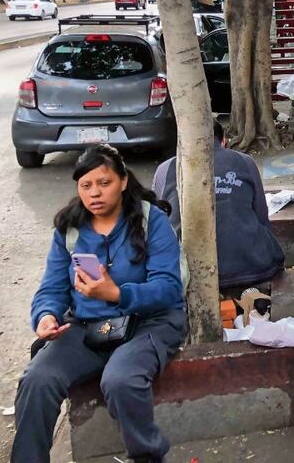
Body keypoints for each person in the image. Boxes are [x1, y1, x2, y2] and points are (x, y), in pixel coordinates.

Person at [12, 145, 185, 463]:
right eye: (86, 185)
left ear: (122, 180)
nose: (95, 193)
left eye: (104, 183)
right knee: (37, 380)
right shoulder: (71, 227)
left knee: (121, 379)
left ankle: (147, 457)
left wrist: (117, 294)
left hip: (150, 323)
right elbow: (52, 288)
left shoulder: (151, 221)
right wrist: (46, 316)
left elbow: (169, 288)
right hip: (88, 326)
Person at [152, 120, 285, 290]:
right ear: (224, 142)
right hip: (254, 268)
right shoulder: (245, 162)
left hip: (189, 276)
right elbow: (262, 217)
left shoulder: (166, 168)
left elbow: (158, 226)